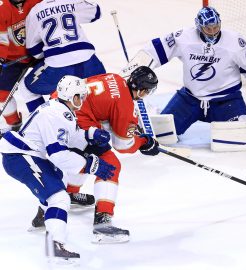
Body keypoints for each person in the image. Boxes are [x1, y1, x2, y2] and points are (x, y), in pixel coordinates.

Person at [0, 75, 116, 260]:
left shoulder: (59, 108)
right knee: (60, 198)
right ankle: (55, 245)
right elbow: (58, 155)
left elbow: (71, 135)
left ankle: (42, 216)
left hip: (26, 154)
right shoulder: (57, 114)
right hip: (20, 157)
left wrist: (90, 135)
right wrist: (91, 165)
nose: (83, 99)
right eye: (81, 96)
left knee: (60, 179)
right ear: (72, 97)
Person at [123, 6, 246, 137]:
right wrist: (136, 68)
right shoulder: (184, 38)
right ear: (199, 26)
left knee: (240, 135)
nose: (213, 32)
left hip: (226, 100)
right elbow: (155, 50)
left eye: (216, 27)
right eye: (208, 28)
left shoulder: (234, 41)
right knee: (162, 133)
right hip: (190, 99)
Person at [74, 66, 160, 243]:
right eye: (147, 92)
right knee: (110, 164)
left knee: (82, 156)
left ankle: (69, 193)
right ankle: (102, 222)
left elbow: (101, 107)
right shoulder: (125, 104)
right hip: (76, 122)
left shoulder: (114, 77)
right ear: (142, 90)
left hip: (59, 108)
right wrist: (144, 142)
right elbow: (122, 145)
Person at [19, 0, 106, 114]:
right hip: (89, 62)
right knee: (103, 91)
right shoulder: (70, 1)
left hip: (57, 67)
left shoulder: (34, 11)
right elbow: (96, 13)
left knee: (26, 88)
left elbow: (34, 50)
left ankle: (46, 123)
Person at [0, 0, 41, 137]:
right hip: (13, 59)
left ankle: (57, 120)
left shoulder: (37, 1)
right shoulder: (2, 7)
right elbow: (2, 39)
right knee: (1, 94)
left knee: (56, 83)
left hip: (40, 52)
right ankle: (15, 125)